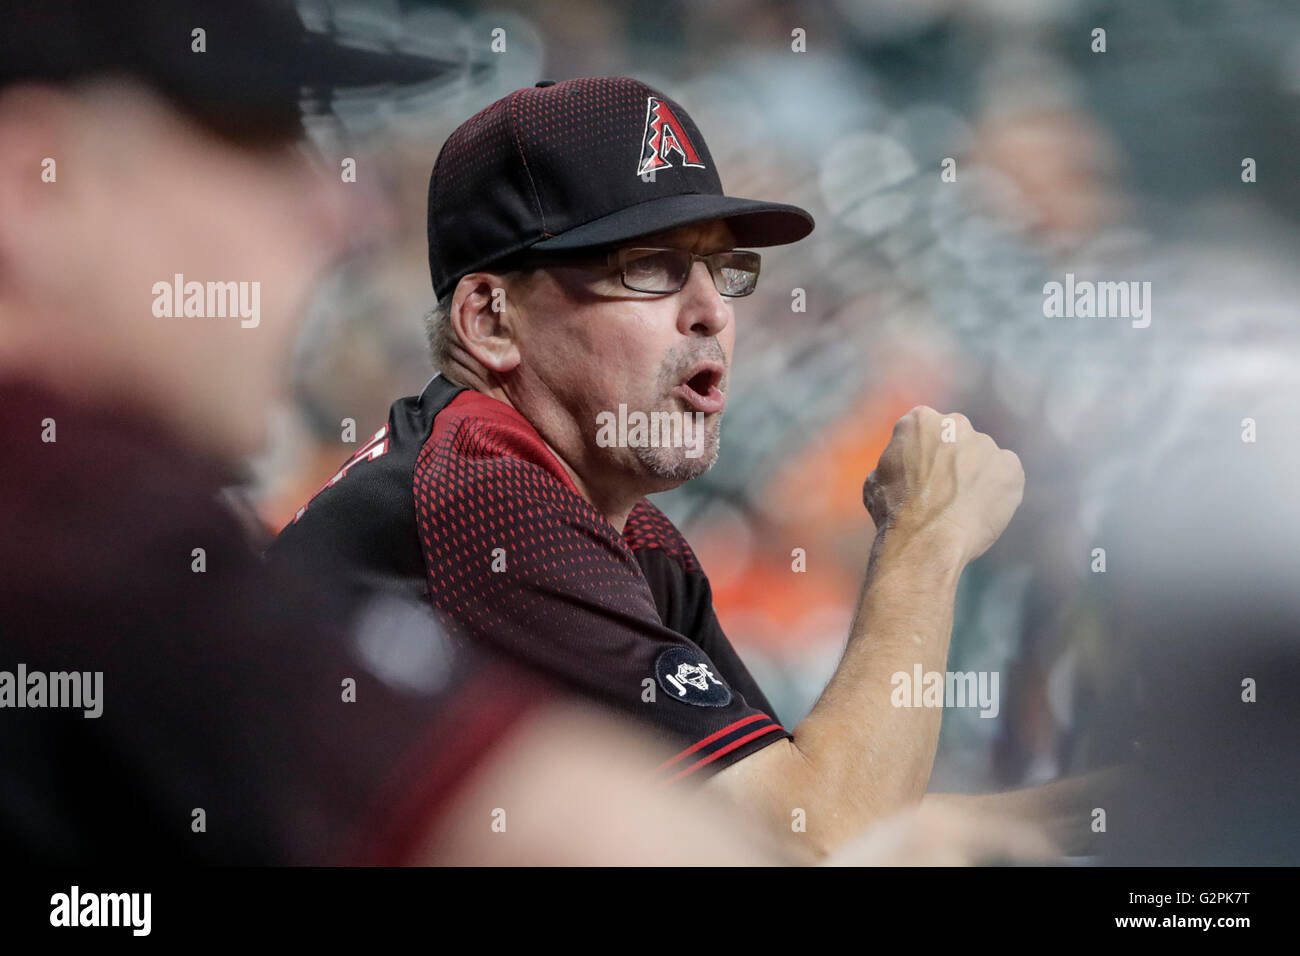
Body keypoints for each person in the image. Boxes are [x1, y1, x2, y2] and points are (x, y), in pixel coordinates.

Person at [270, 76, 1054, 856]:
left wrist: (1136, 797)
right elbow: (819, 841)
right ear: (490, 320)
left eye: (724, 269)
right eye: (649, 266)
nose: (712, 309)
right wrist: (923, 540)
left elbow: (796, 808)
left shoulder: (621, 528)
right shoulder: (484, 491)